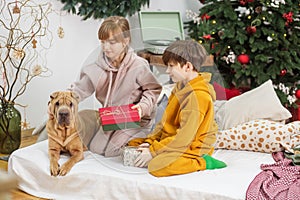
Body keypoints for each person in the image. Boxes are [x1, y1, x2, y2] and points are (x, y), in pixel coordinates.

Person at [45, 16, 162, 157]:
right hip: (111, 120)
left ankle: (147, 138)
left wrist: (142, 107)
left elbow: (153, 89)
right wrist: (59, 102)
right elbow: (78, 90)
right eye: (103, 42)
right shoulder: (96, 67)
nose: (106, 47)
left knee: (112, 152)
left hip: (135, 121)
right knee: (96, 149)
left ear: (125, 41)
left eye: (112, 42)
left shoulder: (138, 65)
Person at [127, 40, 226, 177]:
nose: (168, 71)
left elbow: (185, 138)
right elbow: (165, 123)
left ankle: (204, 162)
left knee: (156, 167)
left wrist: (154, 151)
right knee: (133, 144)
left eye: (171, 66)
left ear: (187, 66)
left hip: (193, 145)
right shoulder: (180, 87)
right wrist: (150, 142)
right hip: (177, 140)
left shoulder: (197, 97)